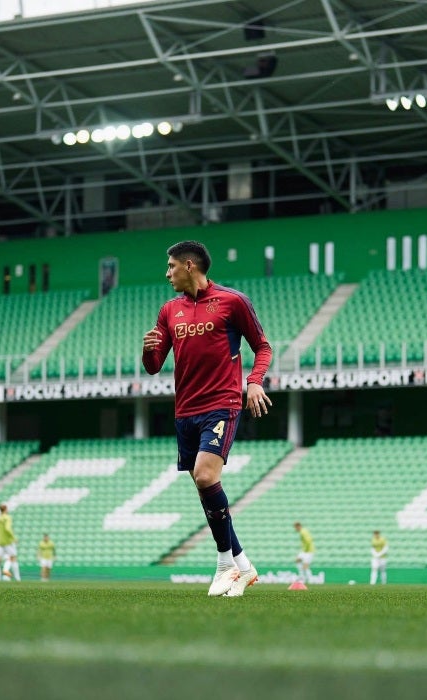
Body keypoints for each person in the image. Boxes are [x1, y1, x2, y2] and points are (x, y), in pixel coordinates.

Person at [143, 240, 273, 597]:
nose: (166, 273)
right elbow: (154, 367)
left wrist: (254, 382)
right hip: (185, 410)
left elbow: (262, 346)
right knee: (204, 487)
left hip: (222, 402)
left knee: (205, 475)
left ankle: (225, 563)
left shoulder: (233, 301)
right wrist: (148, 351)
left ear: (189, 266)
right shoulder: (169, 310)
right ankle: (244, 566)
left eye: (170, 266)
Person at [0, 503, 20, 581]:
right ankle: (17, 578)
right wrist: (14, 538)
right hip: (8, 542)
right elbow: (8, 528)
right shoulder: (7, 517)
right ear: (6, 509)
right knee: (13, 558)